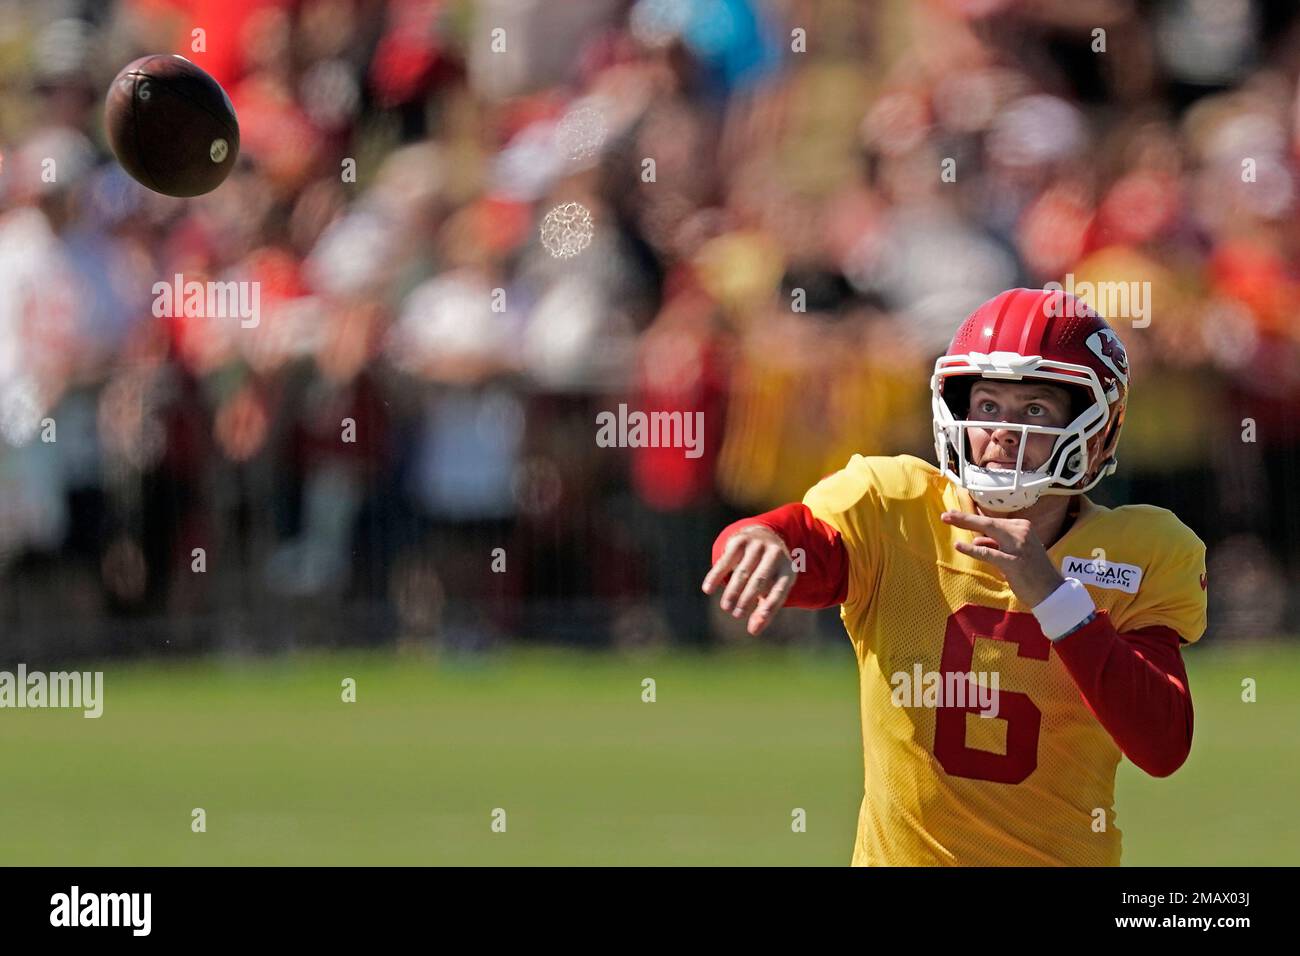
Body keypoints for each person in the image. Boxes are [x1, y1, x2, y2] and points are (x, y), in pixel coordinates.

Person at [702, 288, 1207, 865]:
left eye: (1035, 411)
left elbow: (1162, 743)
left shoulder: (1141, 550)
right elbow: (802, 542)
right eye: (988, 406)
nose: (1003, 432)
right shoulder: (895, 504)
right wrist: (762, 537)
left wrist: (1056, 598)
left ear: (1097, 430)